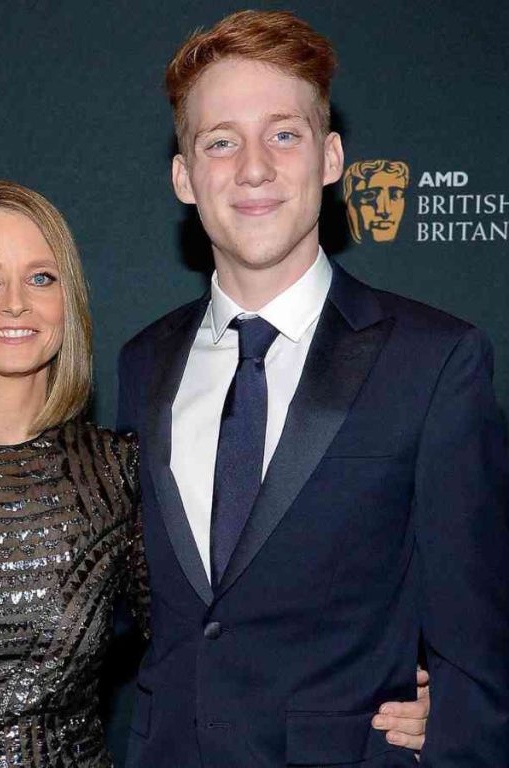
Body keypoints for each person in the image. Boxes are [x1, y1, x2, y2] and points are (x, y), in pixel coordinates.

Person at [0, 180, 429, 767]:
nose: (16, 302)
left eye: (41, 277)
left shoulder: (115, 469)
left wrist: (389, 689)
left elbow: (211, 638)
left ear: (67, 299)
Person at [118, 10, 509, 766]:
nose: (254, 167)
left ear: (331, 159)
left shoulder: (435, 363)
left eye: (284, 134)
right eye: (221, 141)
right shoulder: (143, 362)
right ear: (183, 176)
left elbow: (476, 652)